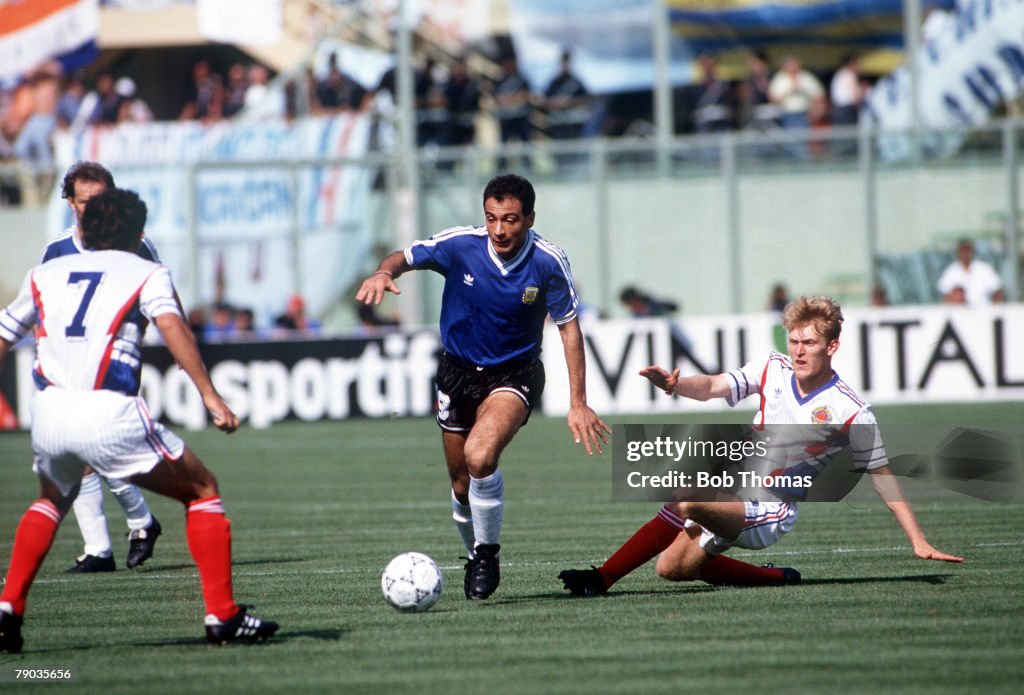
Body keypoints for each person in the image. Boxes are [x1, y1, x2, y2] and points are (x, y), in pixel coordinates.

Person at [0, 188, 278, 653]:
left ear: (83, 229)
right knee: (201, 489)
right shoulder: (147, 271)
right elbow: (174, 330)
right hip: (108, 410)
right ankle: (223, 615)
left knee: (51, 499)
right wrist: (210, 396)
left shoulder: (43, 274)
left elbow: (5, 334)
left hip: (48, 413)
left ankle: (8, 607)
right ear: (139, 234)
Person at [559, 295, 962, 597]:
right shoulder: (773, 367)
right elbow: (715, 385)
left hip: (770, 509)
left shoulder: (851, 409)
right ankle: (777, 576)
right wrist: (676, 385)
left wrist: (917, 540)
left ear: (832, 346)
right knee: (672, 569)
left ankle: (601, 578)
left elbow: (882, 476)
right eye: (794, 341)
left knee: (686, 494)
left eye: (809, 343)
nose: (799, 350)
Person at [356, 174, 610, 600]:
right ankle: (475, 552)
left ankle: (488, 552)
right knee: (460, 485)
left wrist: (578, 402)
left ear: (529, 217)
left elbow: (569, 328)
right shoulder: (461, 245)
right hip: (456, 372)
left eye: (510, 219)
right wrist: (384, 272)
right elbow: (405, 256)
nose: (499, 229)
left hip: (514, 375)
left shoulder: (548, 261)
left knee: (480, 455)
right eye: (491, 218)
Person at [41, 161, 163, 573]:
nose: (91, 208)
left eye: (100, 200)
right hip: (69, 362)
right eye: (84, 201)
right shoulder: (56, 250)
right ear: (70, 203)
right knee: (81, 452)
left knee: (96, 445)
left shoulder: (135, 245)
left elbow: (157, 304)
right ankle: (109, 542)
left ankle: (133, 525)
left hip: (114, 363)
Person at [936, 238, 1004, 305]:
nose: (965, 252)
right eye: (962, 250)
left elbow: (997, 291)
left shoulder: (984, 269)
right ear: (957, 252)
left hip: (983, 311)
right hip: (959, 312)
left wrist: (994, 308)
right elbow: (945, 295)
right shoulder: (951, 271)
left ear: (972, 251)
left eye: (967, 250)